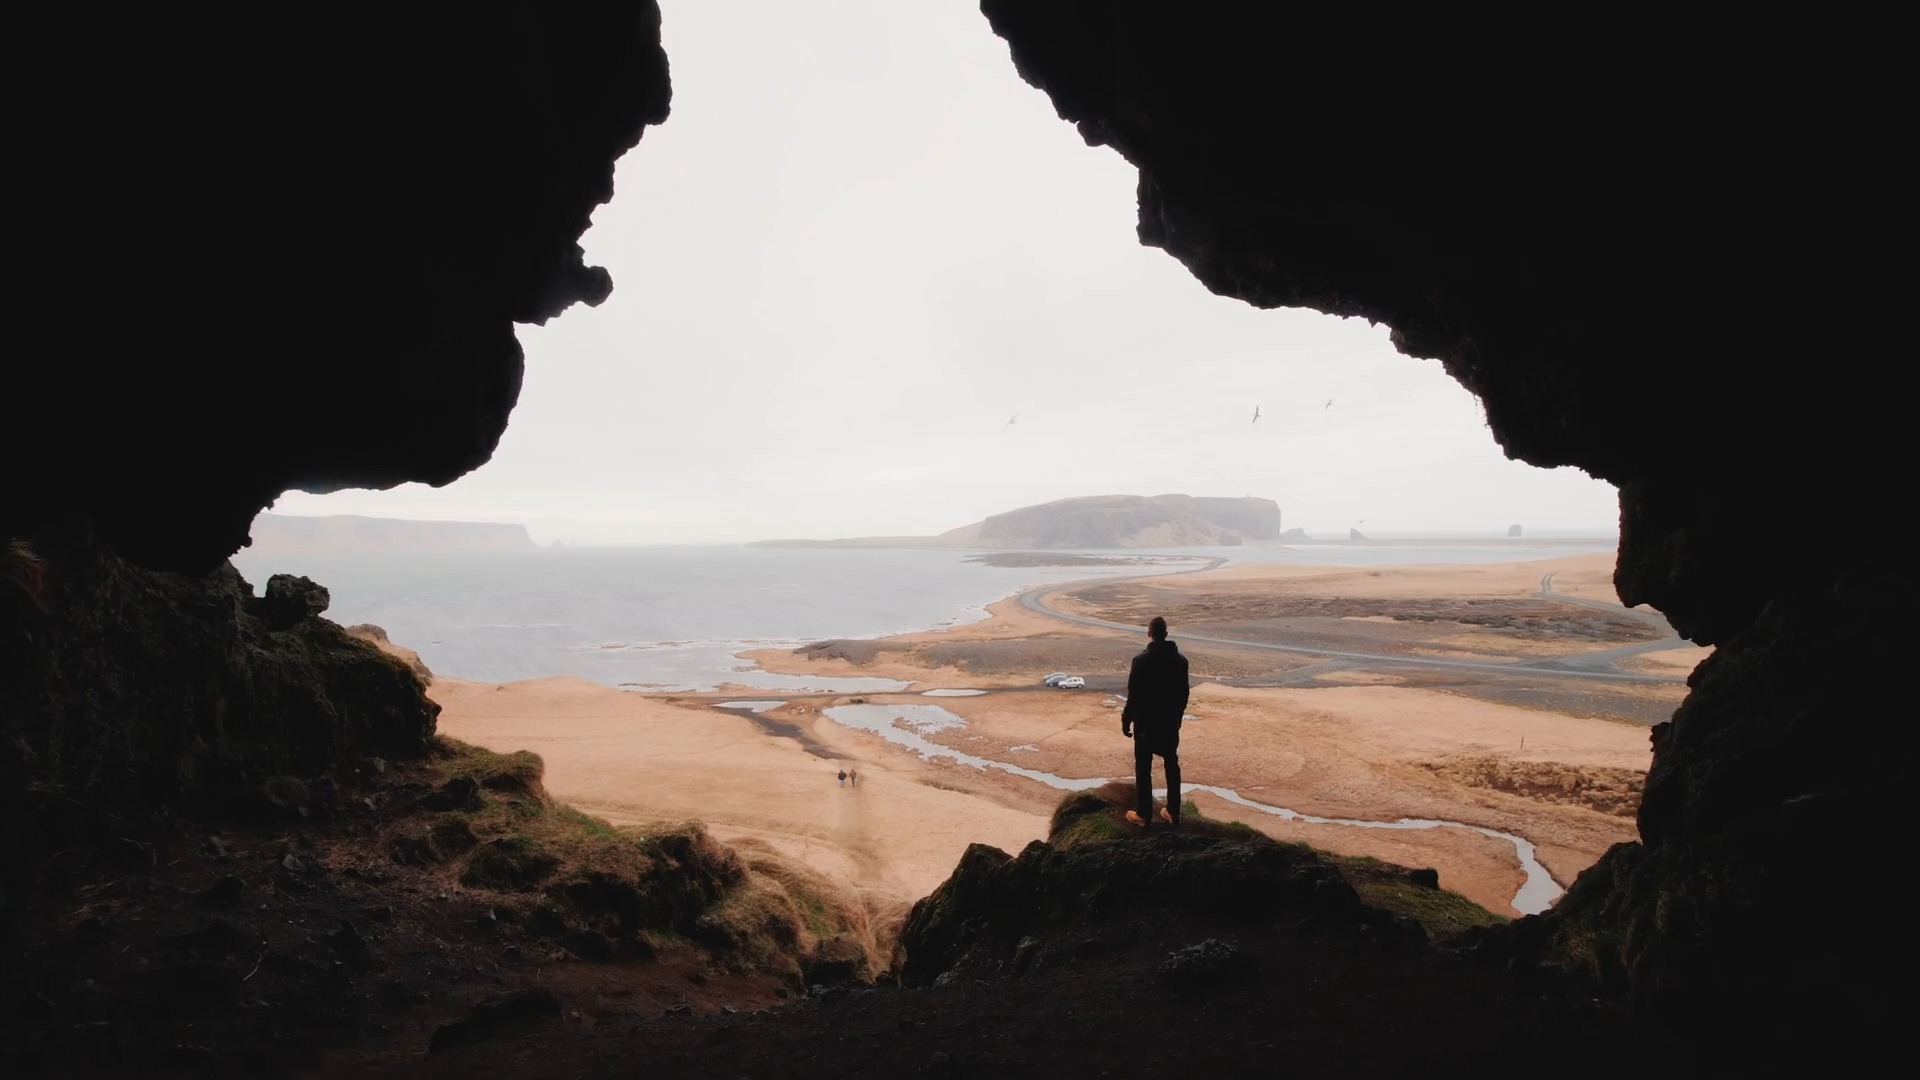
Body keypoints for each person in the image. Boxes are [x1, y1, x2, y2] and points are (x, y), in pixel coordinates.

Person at [1121, 615, 1189, 828]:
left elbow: (1133, 696)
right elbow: (1183, 695)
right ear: (1166, 635)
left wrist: (1126, 720)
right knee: (1171, 764)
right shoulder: (1180, 662)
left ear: (1149, 634)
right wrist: (1177, 718)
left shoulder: (1141, 662)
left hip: (1145, 726)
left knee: (1143, 768)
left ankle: (1144, 814)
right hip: (1169, 724)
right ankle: (1173, 812)